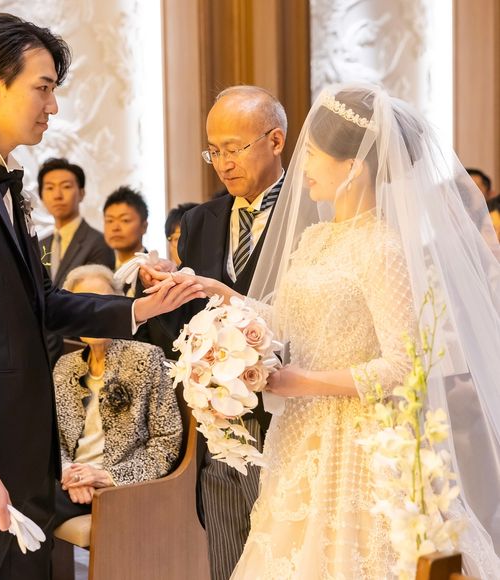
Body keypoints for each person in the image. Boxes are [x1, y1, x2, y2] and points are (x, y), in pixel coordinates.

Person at [147, 83, 500, 578]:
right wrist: (214, 290)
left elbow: (404, 366)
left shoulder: (383, 249)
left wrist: (302, 382)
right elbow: (286, 320)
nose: (303, 166)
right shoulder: (316, 238)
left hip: (359, 443)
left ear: (353, 167)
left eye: (312, 154)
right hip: (300, 437)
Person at [0, 13, 202, 580]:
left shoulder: (0, 183)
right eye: (43, 88)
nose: (53, 106)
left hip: (24, 465)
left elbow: (42, 303)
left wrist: (141, 308)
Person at [143, 85, 287, 580]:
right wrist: (165, 292)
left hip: (288, 418)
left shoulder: (313, 213)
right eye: (214, 151)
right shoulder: (199, 221)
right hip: (218, 429)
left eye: (234, 148)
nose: (223, 164)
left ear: (275, 140)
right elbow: (184, 329)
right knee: (228, 560)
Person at [52, 265, 182, 526]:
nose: (94, 315)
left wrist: (106, 477)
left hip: (123, 489)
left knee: (29, 507)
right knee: (21, 498)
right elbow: (54, 437)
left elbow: (166, 444)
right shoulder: (65, 366)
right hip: (73, 485)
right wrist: (69, 474)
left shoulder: (146, 358)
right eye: (83, 306)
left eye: (101, 305)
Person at [38, 157, 115, 287]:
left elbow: (98, 293)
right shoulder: (39, 246)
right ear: (41, 195)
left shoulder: (99, 243)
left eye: (66, 186)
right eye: (50, 188)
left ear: (81, 193)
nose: (57, 195)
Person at [103, 186, 149, 294]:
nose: (115, 228)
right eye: (109, 220)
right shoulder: (102, 266)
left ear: (144, 226)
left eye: (125, 220)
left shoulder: (152, 270)